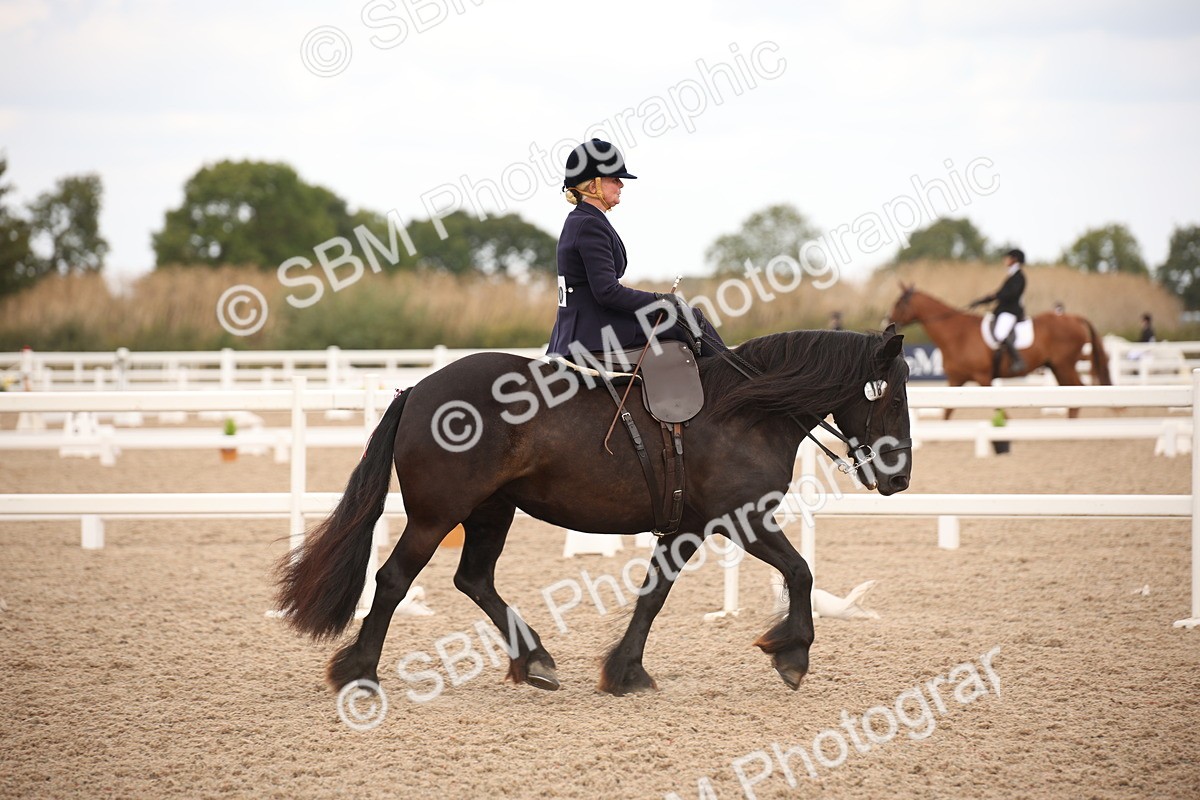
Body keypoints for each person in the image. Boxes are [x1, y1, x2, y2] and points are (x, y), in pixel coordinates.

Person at [546, 138, 724, 364]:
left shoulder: (582, 220)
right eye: (615, 179)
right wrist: (661, 301)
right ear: (594, 186)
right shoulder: (589, 224)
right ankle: (736, 386)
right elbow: (607, 292)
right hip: (595, 332)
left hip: (583, 327)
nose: (621, 185)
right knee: (691, 319)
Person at [971, 248, 1027, 373]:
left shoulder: (1019, 277)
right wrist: (982, 300)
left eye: (1007, 258)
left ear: (1014, 260)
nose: (1005, 260)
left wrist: (996, 296)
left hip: (1011, 311)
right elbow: (1001, 293)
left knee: (1001, 333)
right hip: (1004, 310)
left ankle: (1018, 360)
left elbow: (1010, 294)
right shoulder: (1012, 275)